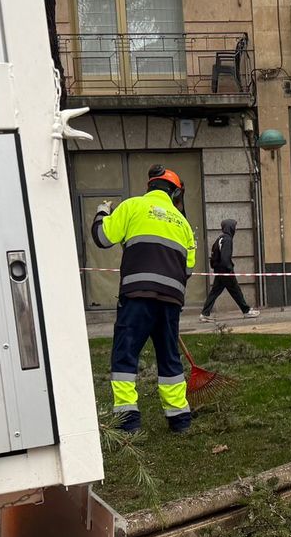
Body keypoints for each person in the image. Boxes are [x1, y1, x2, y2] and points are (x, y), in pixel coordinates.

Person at [92, 166, 196, 434]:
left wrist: (102, 212)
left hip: (137, 295)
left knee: (125, 356)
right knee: (169, 358)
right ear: (174, 193)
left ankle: (128, 422)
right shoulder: (183, 223)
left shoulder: (132, 207)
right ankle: (180, 421)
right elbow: (189, 270)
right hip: (171, 300)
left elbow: (102, 238)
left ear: (150, 186)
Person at [200, 218, 260, 322]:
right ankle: (246, 311)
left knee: (215, 292)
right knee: (236, 291)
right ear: (231, 228)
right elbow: (225, 257)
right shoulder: (227, 239)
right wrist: (229, 269)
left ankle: (205, 313)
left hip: (219, 271)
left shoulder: (220, 238)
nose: (235, 229)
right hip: (225, 271)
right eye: (234, 227)